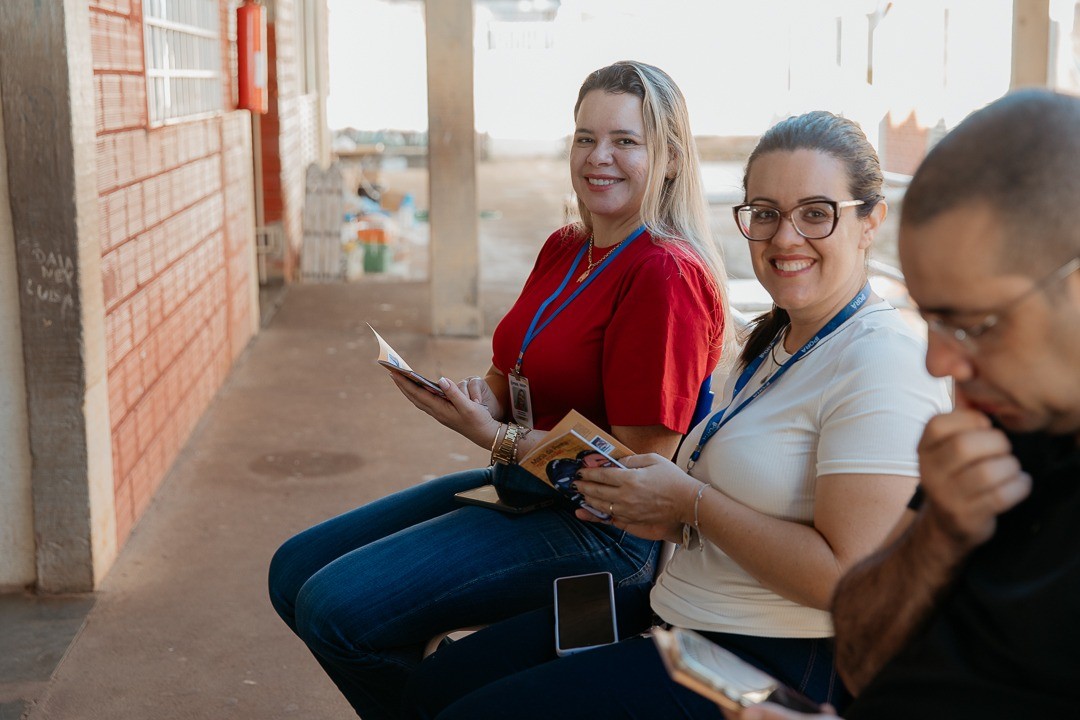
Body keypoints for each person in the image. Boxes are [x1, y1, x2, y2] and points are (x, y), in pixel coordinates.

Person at [402, 110, 952, 720]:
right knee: (436, 687)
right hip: (672, 608)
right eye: (765, 213)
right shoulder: (772, 341)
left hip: (771, 658)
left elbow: (850, 581)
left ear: (870, 220)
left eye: (815, 214)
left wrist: (689, 504)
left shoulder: (881, 364)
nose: (785, 237)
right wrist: (648, 506)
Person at [268, 61, 728, 719]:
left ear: (672, 159)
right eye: (584, 137)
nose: (599, 158)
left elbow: (635, 480)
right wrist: (478, 399)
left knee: (335, 608)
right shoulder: (567, 246)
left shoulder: (664, 276)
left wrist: (497, 438)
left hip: (603, 534)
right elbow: (513, 371)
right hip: (525, 488)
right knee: (292, 570)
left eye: (626, 141)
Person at [720, 87, 1080, 720]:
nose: (938, 362)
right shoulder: (1007, 423)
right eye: (930, 318)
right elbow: (857, 658)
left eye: (973, 324)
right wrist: (938, 533)